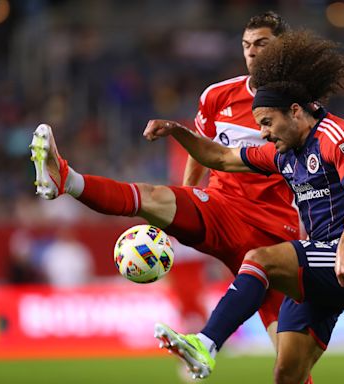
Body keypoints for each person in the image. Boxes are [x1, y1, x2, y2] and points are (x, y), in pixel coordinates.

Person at [29, 10, 306, 372]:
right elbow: (202, 150)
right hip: (222, 211)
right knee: (153, 196)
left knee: (291, 367)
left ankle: (208, 345)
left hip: (272, 234)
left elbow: (230, 157)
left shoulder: (300, 107)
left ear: (281, 49)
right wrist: (186, 200)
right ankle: (66, 179)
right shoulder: (217, 96)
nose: (252, 52)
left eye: (262, 44)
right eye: (246, 45)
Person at [147, 29, 344, 383]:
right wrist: (178, 131)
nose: (264, 134)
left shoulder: (338, 137)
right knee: (288, 374)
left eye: (268, 124)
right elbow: (222, 157)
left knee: (259, 258)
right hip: (321, 265)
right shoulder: (281, 152)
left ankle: (206, 344)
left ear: (295, 111)